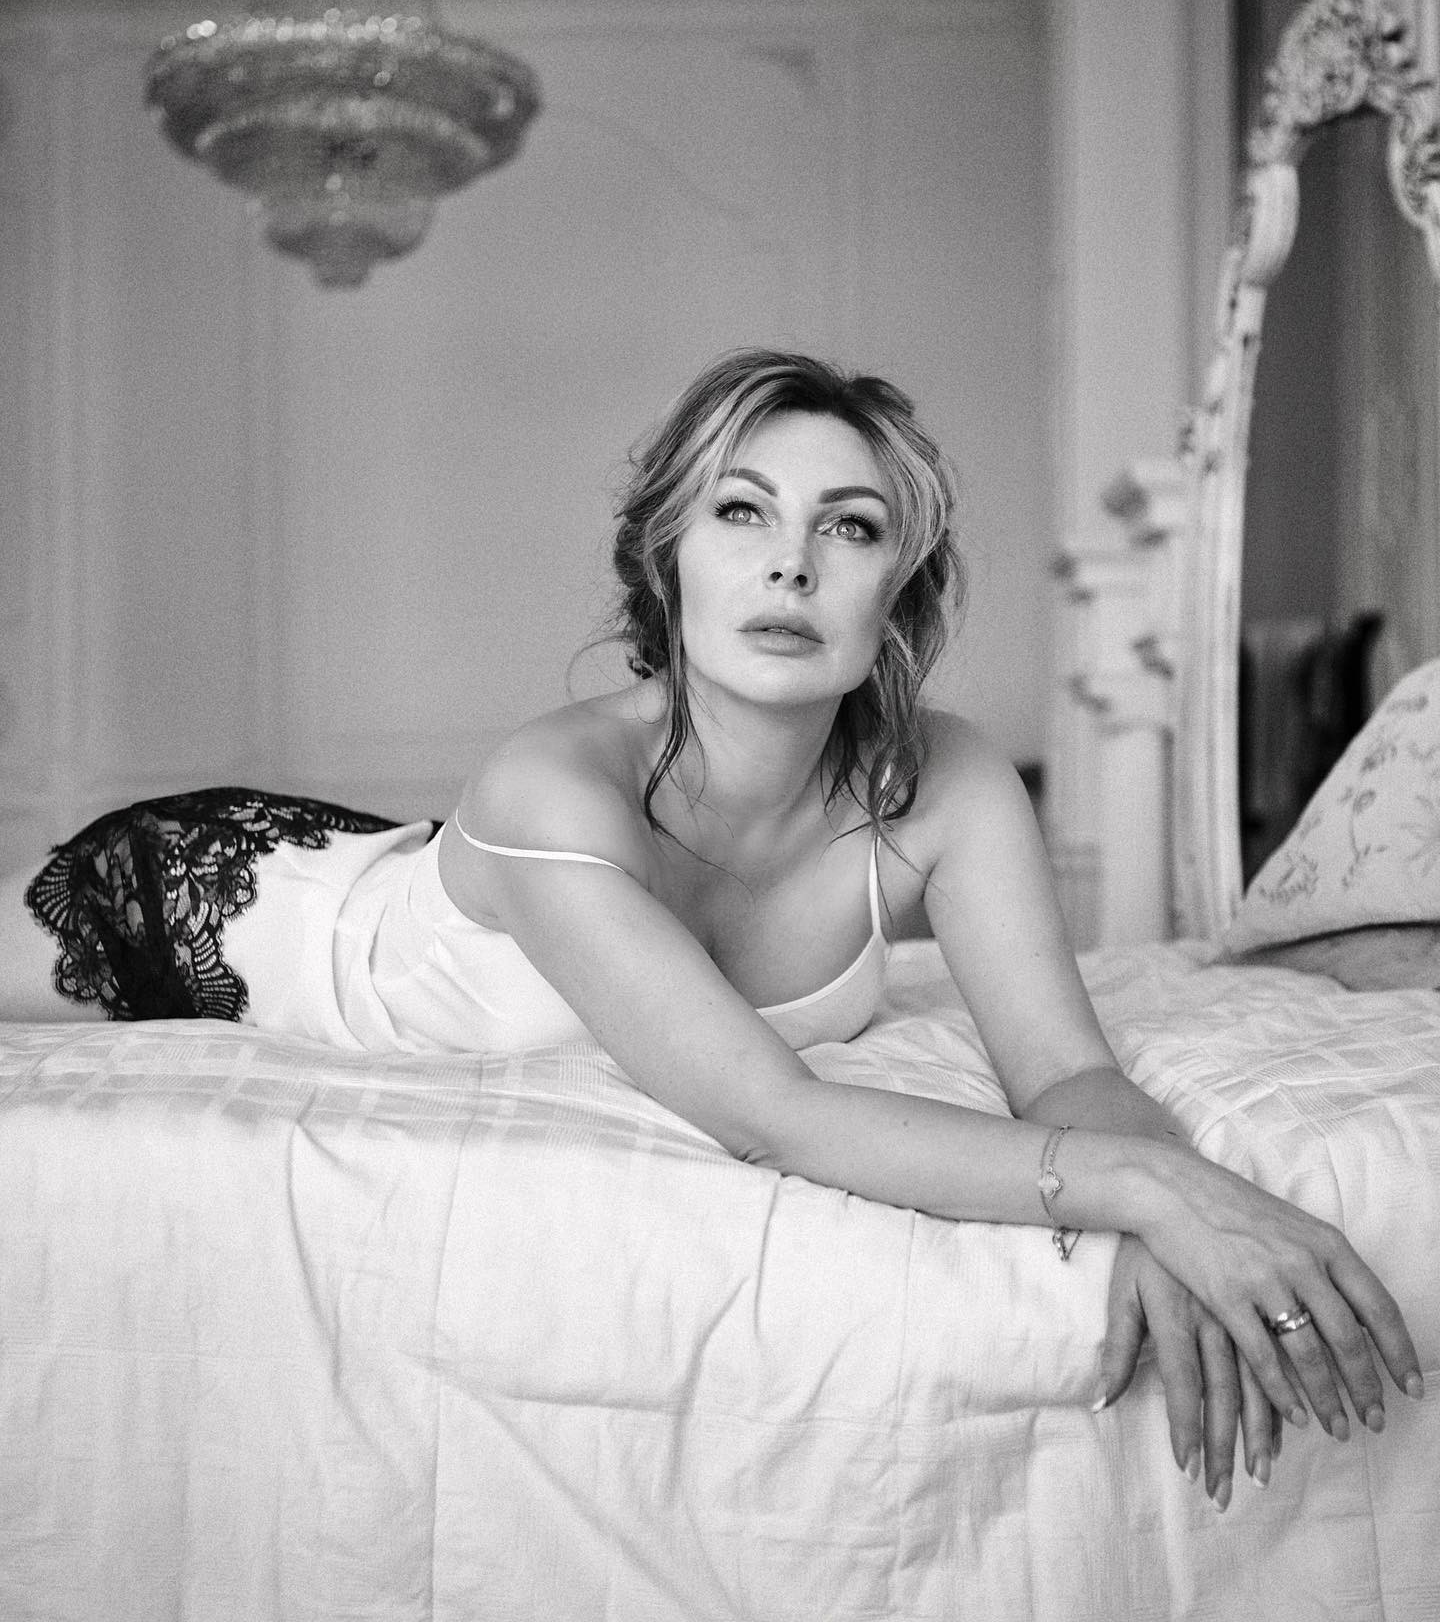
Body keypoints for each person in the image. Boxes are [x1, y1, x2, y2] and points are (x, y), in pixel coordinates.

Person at [0, 348, 1422, 1512]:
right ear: (666, 561)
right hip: (225, 906)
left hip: (414, 878)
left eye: (850, 527)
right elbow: (777, 1117)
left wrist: (1185, 1203)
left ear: (901, 591)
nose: (791, 565)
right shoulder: (549, 784)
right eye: (742, 514)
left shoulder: (950, 780)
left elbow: (1065, 1071)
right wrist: (1142, 1193)